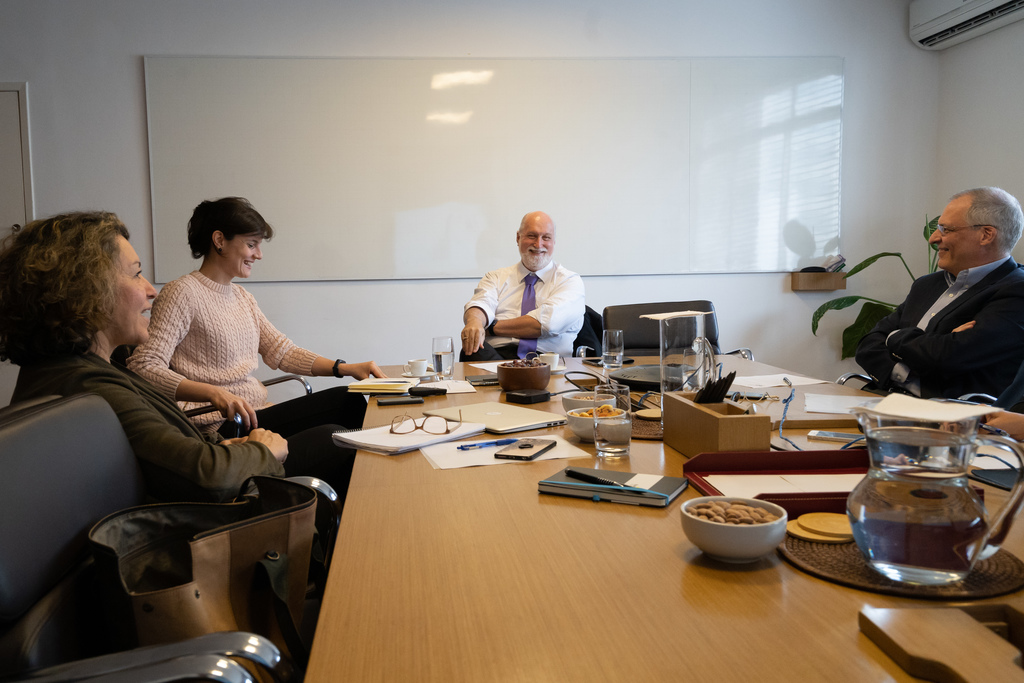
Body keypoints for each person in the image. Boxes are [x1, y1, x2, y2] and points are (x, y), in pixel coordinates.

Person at [0, 211, 352, 503]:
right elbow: (205, 475)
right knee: (335, 439)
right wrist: (259, 450)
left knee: (340, 420)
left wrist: (342, 368)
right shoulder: (89, 386)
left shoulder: (89, 372)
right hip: (208, 511)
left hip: (221, 451)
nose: (151, 289)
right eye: (136, 274)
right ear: (88, 291)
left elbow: (174, 452)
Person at [128, 197, 384, 438]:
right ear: (219, 240)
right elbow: (145, 366)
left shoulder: (241, 296)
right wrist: (212, 392)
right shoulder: (182, 293)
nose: (259, 255)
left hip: (255, 413)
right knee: (344, 405)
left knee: (342, 417)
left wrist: (344, 368)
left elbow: (281, 351)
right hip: (221, 424)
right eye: (251, 245)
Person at [855, 187, 1024, 399]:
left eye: (946, 229)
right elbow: (868, 344)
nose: (933, 238)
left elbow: (947, 357)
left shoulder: (1016, 290)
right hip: (886, 398)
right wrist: (907, 370)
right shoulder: (926, 285)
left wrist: (894, 337)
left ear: (985, 235)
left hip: (952, 420)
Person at [461, 211, 584, 361]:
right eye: (532, 236)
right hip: (497, 358)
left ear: (554, 242)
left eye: (546, 237)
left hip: (547, 362)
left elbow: (545, 324)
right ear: (518, 238)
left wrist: (491, 328)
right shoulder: (495, 277)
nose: (538, 244)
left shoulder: (570, 281)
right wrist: (475, 322)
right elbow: (480, 304)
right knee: (472, 348)